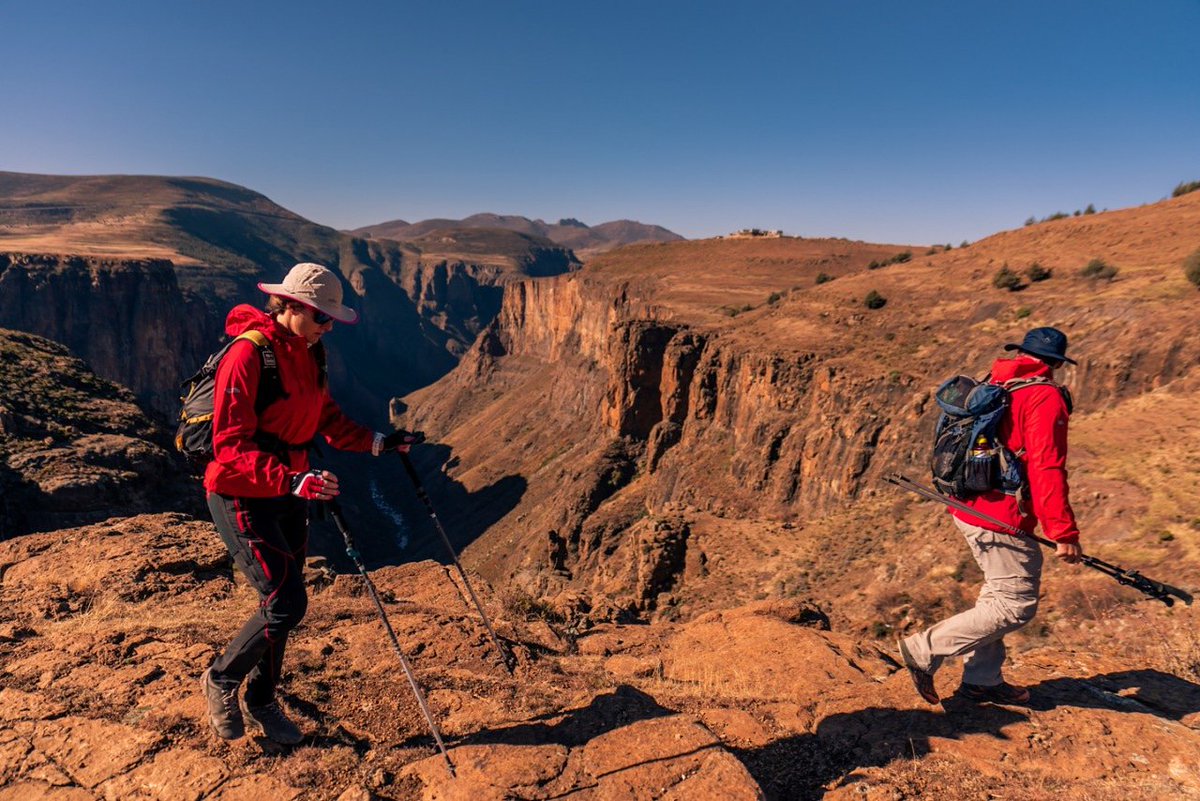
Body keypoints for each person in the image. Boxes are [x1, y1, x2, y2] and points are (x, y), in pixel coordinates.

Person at [200, 262, 418, 743]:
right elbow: (229, 446)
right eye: (321, 318)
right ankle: (221, 678)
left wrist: (381, 442)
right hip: (240, 494)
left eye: (331, 320)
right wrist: (292, 480)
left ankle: (262, 700)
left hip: (287, 492)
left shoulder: (309, 352)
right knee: (284, 602)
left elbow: (327, 418)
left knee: (284, 604)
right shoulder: (248, 356)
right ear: (292, 307)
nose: (328, 328)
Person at [899, 326, 1083, 705]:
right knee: (1014, 604)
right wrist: (1063, 531)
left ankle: (982, 680)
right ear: (1055, 364)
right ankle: (924, 649)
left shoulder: (996, 381)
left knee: (997, 595)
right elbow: (1047, 468)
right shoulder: (1043, 398)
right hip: (1002, 516)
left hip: (969, 506)